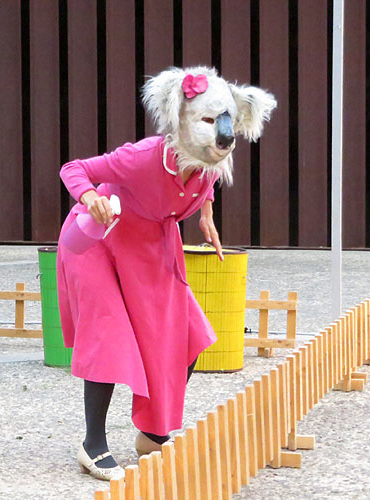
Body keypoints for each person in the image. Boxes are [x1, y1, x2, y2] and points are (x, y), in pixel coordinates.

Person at [56, 66, 276, 480]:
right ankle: (93, 445)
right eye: (208, 120)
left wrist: (207, 214)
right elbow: (74, 168)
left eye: (226, 123)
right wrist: (89, 197)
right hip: (101, 239)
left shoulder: (206, 162)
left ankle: (152, 434)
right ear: (184, 120)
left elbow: (206, 182)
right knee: (110, 337)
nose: (222, 135)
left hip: (151, 247)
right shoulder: (141, 158)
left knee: (188, 336)